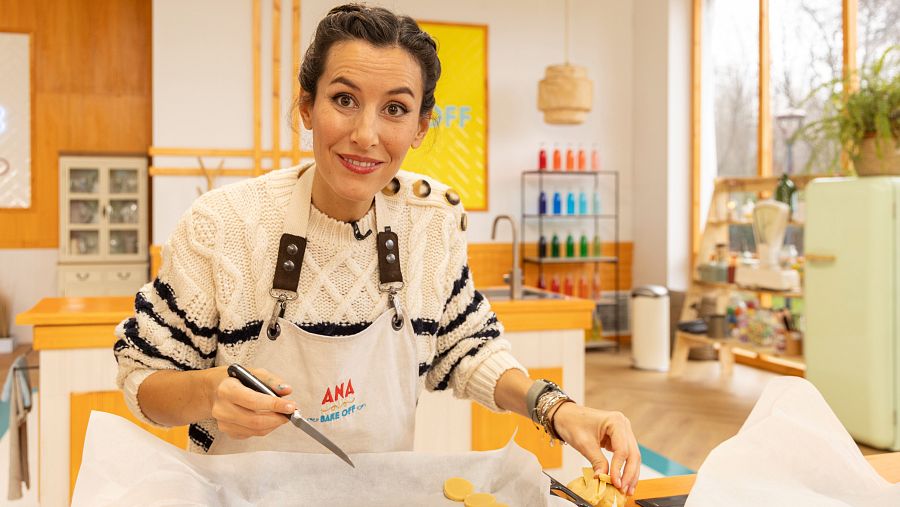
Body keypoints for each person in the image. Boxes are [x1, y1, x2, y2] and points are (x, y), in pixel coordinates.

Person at [114, 2, 640, 496]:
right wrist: (210, 392)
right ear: (306, 107)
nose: (366, 134)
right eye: (344, 100)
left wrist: (557, 410)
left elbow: (466, 348)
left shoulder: (430, 224)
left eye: (394, 108)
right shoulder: (224, 225)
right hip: (240, 498)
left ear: (420, 127)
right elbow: (143, 378)